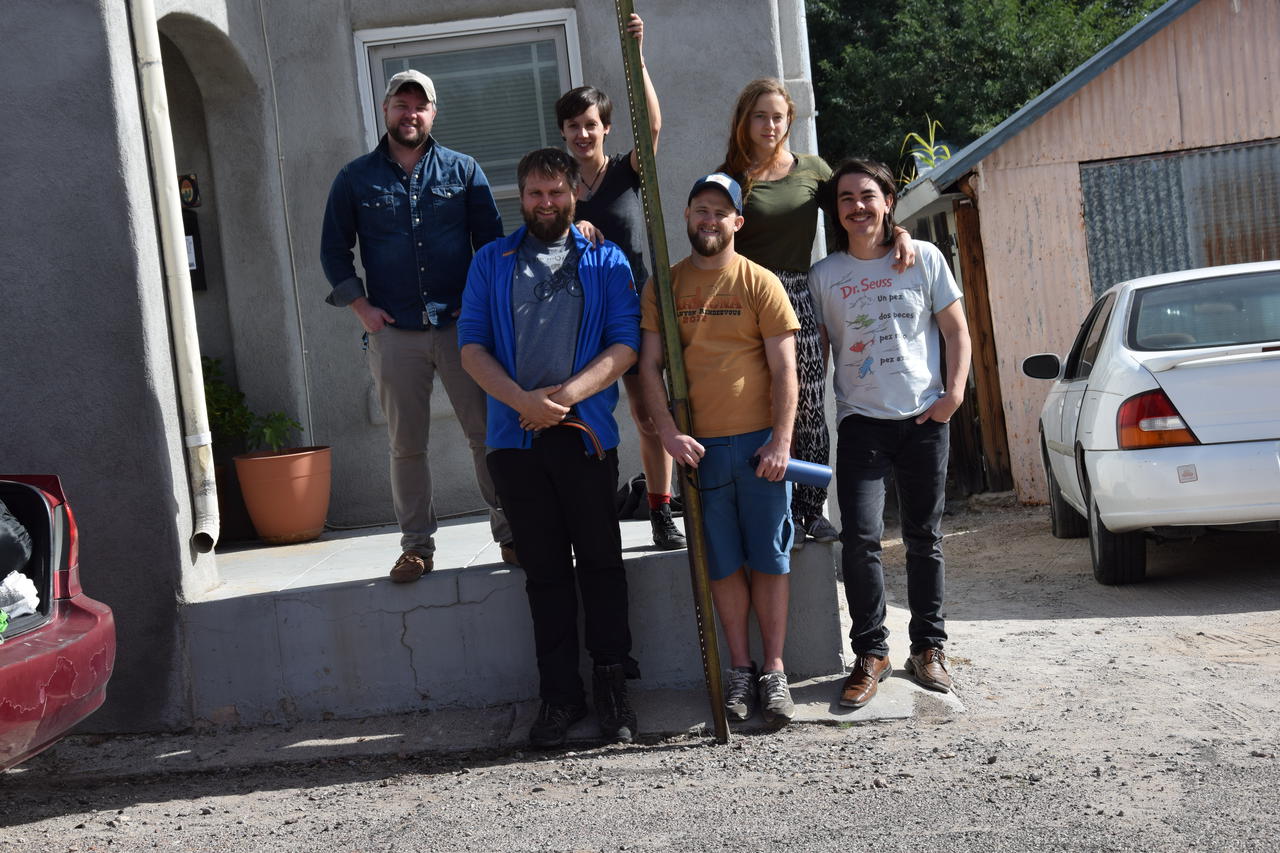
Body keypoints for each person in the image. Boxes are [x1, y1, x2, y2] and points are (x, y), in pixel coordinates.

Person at [458, 148, 641, 748]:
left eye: (556, 192)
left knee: (601, 564)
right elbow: (471, 347)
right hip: (515, 441)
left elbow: (624, 344)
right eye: (535, 193)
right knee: (545, 574)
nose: (546, 203)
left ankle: (613, 688)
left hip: (583, 437)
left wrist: (561, 399)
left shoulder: (605, 259)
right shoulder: (490, 261)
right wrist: (522, 402)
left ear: (574, 194)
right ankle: (560, 696)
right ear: (521, 197)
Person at [321, 70, 513, 582]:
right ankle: (416, 548)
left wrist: (478, 306)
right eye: (400, 104)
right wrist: (361, 307)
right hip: (394, 333)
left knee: (487, 435)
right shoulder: (355, 178)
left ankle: (512, 534)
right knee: (406, 446)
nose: (410, 114)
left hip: (462, 331)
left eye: (419, 105)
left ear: (433, 112)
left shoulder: (463, 170)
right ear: (385, 110)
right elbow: (333, 250)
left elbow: (491, 245)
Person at [717, 78, 914, 550]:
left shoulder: (812, 170)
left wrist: (900, 232)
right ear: (744, 121)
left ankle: (810, 509)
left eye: (778, 117)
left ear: (790, 121)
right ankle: (768, 506)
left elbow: (858, 208)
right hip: (745, 295)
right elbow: (713, 235)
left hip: (795, 293)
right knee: (749, 401)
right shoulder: (729, 177)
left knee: (805, 402)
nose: (769, 125)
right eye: (760, 116)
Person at [808, 158, 972, 709]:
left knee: (925, 537)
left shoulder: (923, 257)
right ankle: (871, 654)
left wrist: (953, 396)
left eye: (867, 196)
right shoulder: (824, 275)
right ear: (836, 211)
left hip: (925, 418)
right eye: (846, 198)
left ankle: (928, 648)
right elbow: (820, 352)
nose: (857, 206)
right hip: (862, 423)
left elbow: (956, 330)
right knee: (860, 539)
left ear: (888, 202)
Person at [639, 173, 800, 727]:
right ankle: (739, 668)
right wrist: (667, 433)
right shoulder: (665, 286)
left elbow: (785, 369)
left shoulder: (760, 282)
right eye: (701, 209)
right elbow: (649, 367)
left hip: (759, 449)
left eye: (720, 211)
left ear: (738, 222)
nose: (710, 219)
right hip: (699, 452)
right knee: (723, 562)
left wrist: (781, 441)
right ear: (687, 216)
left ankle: (774, 671)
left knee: (770, 558)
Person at [555, 14, 684, 551]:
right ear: (563, 132)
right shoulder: (559, 185)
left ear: (605, 127)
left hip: (634, 309)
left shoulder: (627, 172)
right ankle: (585, 516)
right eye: (573, 126)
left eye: (590, 124)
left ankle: (661, 509)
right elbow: (539, 232)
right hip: (579, 317)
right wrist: (571, 226)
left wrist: (640, 58)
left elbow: (652, 126)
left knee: (650, 416)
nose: (582, 134)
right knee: (580, 416)